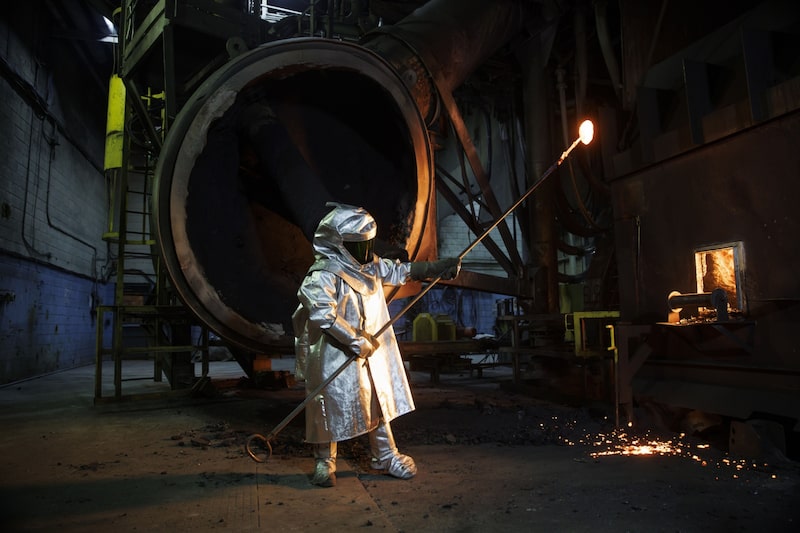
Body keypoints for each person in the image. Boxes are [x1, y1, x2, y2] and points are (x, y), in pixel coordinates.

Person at [292, 203, 461, 487]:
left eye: (368, 245)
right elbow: (323, 314)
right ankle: (325, 461)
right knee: (327, 406)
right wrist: (354, 340)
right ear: (339, 244)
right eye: (360, 246)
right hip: (335, 352)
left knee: (379, 400)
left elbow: (398, 272)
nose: (367, 253)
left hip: (373, 350)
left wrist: (434, 268)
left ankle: (385, 455)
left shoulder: (368, 265)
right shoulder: (322, 275)